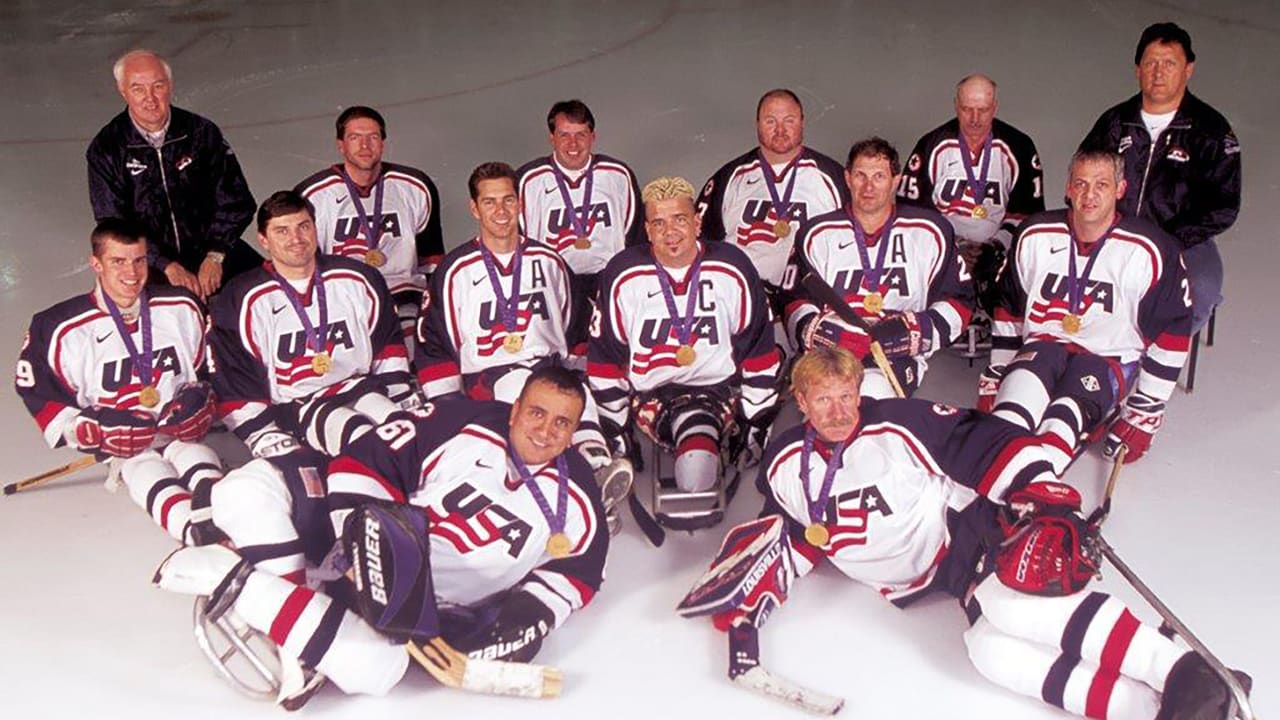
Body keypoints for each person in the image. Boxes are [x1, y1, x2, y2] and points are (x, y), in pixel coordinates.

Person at [687, 346, 1246, 720]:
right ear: (801, 402)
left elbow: (977, 439)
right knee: (987, 653)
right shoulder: (785, 461)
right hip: (933, 579)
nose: (837, 410)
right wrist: (749, 594)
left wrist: (1038, 489)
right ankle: (1154, 710)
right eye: (822, 399)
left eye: (845, 394)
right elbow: (787, 535)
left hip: (965, 534)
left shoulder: (898, 421)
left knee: (1010, 610)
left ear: (859, 391)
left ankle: (1182, 671)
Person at [153, 368, 608, 705]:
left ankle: (229, 576)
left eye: (562, 423)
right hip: (365, 540)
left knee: (378, 671)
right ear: (515, 411)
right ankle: (300, 629)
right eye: (537, 413)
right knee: (246, 489)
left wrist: (526, 617)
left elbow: (575, 577)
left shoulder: (580, 500)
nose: (545, 431)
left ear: (573, 433)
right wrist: (358, 543)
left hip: (415, 606)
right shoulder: (463, 421)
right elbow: (364, 462)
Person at [416, 162, 629, 532]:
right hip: (489, 378)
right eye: (490, 202)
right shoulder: (455, 271)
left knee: (576, 397)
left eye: (508, 201)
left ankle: (595, 468)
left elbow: (577, 323)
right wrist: (447, 409)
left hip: (547, 367)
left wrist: (580, 374)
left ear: (521, 204)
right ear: (474, 208)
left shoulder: (549, 261)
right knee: (535, 398)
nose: (500, 212)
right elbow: (434, 343)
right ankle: (589, 477)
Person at [979, 149, 1192, 470]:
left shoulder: (1151, 249)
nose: (1089, 195)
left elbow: (1173, 328)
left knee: (1060, 425)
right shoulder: (1034, 233)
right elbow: (1010, 307)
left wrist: (1145, 409)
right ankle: (994, 483)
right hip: (1043, 346)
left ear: (1120, 190)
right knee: (1008, 419)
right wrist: (997, 372)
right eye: (1080, 183)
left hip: (1108, 357)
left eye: (1101, 185)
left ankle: (1034, 490)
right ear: (1068, 188)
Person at [15, 219, 223, 544]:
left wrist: (205, 399)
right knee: (144, 470)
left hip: (180, 432)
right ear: (95, 263)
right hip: (127, 447)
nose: (132, 272)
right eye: (118, 261)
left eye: (139, 260)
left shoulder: (182, 305)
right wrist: (92, 429)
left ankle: (224, 524)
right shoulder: (58, 326)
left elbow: (212, 366)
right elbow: (36, 390)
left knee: (197, 459)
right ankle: (199, 538)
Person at [590, 176, 780, 528]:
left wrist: (756, 421)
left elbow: (760, 351)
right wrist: (616, 430)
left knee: (696, 472)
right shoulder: (622, 273)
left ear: (696, 222)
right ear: (647, 230)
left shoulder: (733, 266)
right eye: (659, 223)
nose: (670, 232)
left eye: (679, 219)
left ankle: (698, 435)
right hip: (651, 396)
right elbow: (605, 359)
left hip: (719, 392)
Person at [209, 191, 413, 460]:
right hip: (297, 407)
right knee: (361, 437)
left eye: (303, 226)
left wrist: (400, 395)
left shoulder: (359, 277)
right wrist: (261, 432)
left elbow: (387, 343)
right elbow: (234, 374)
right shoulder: (240, 297)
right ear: (263, 240)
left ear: (316, 228)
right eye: (282, 231)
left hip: (360, 387)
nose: (296, 239)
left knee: (405, 432)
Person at [783, 137, 974, 398]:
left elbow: (959, 302)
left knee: (870, 397)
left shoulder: (931, 230)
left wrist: (915, 332)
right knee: (827, 403)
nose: (868, 187)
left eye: (879, 176)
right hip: (830, 357)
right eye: (860, 176)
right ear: (847, 178)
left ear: (895, 181)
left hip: (898, 358)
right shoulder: (816, 233)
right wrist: (818, 331)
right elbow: (793, 300)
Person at [1080, 22, 1240, 334]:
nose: (1158, 72)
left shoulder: (1212, 130)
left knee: (1201, 293)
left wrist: (1171, 240)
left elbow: (1224, 205)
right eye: (1151, 63)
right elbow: (1081, 180)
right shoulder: (1114, 122)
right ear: (1137, 69)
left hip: (1181, 241)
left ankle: (1151, 360)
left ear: (1188, 69)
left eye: (1170, 63)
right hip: (1110, 231)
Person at [87, 49, 258, 300]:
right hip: (150, 264)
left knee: (271, 292)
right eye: (137, 89)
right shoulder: (107, 149)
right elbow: (113, 224)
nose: (150, 99)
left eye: (158, 86)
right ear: (122, 91)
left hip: (214, 254)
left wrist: (215, 255)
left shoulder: (201, 132)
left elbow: (236, 200)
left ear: (170, 85)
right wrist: (166, 265)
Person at [295, 106, 444, 350]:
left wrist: (434, 308)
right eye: (355, 138)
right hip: (344, 300)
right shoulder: (311, 195)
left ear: (383, 143)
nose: (365, 146)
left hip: (405, 295)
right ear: (340, 145)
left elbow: (432, 256)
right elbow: (304, 264)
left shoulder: (415, 186)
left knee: (416, 350)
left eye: (373, 137)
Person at [898, 74, 1044, 309]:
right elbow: (912, 212)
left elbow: (1028, 213)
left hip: (1000, 252)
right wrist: (953, 245)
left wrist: (995, 246)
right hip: (943, 251)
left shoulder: (1020, 146)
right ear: (955, 105)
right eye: (967, 109)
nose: (975, 119)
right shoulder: (931, 144)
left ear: (995, 107)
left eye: (983, 110)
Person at [696, 88, 849, 313]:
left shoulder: (833, 177)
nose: (780, 130)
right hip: (744, 301)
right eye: (770, 121)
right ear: (757, 123)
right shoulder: (728, 178)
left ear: (802, 122)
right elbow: (701, 245)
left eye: (789, 120)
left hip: (811, 302)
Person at [517, 99, 644, 357]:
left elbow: (635, 237)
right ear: (552, 138)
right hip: (555, 283)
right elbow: (520, 244)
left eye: (581, 135)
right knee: (562, 356)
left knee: (616, 351)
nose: (572, 145)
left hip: (607, 279)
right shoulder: (528, 180)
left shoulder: (617, 174)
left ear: (593, 137)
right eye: (564, 135)